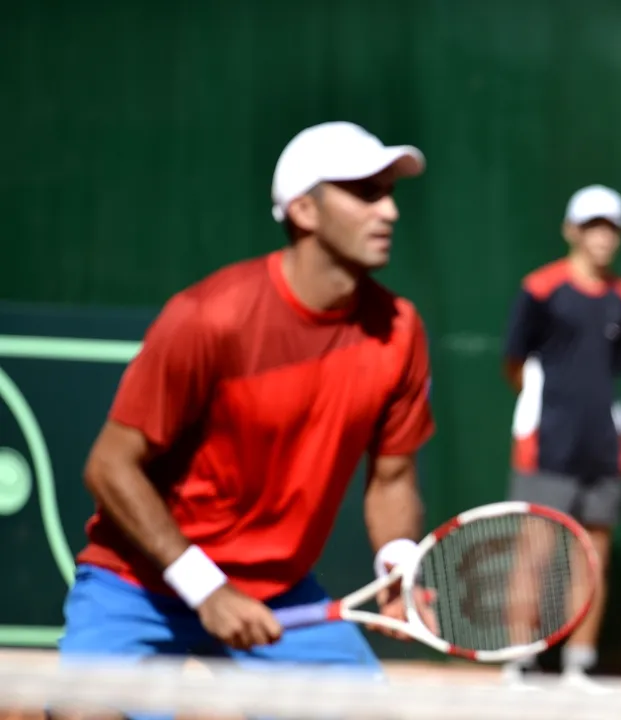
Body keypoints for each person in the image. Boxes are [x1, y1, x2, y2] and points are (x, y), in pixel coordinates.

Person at [58, 121, 436, 687]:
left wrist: (397, 562)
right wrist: (205, 588)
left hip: (280, 594)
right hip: (140, 583)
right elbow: (109, 466)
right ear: (304, 212)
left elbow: (392, 476)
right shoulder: (209, 318)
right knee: (80, 710)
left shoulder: (398, 330)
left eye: (388, 193)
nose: (389, 212)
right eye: (365, 193)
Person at [499, 184, 621, 689]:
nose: (603, 237)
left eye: (612, 228)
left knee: (593, 556)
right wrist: (543, 407)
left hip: (603, 444)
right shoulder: (540, 289)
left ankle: (579, 665)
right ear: (571, 232)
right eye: (593, 227)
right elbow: (514, 364)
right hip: (547, 443)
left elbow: (615, 370)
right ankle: (518, 662)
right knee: (534, 554)